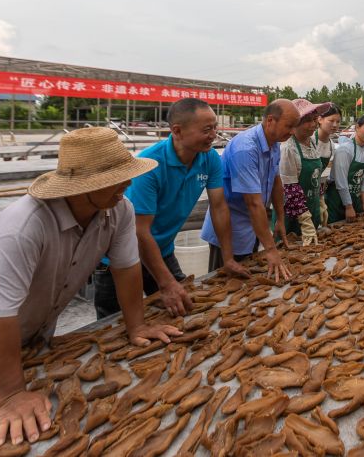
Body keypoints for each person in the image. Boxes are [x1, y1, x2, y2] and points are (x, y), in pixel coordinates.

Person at [0, 128, 180, 447]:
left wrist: (137, 325)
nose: (128, 184)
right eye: (117, 178)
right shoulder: (22, 228)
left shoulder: (118, 210)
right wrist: (9, 395)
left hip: (34, 335)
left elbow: (126, 268)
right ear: (82, 187)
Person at [93, 98, 249, 319]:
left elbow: (219, 207)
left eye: (215, 127)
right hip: (121, 258)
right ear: (177, 131)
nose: (214, 134)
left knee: (184, 309)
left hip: (162, 250)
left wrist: (229, 257)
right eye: (207, 129)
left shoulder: (209, 158)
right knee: (116, 326)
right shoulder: (149, 165)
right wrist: (166, 283)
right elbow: (140, 231)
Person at [200, 99, 300, 282]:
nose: (293, 131)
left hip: (253, 228)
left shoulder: (274, 142)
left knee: (247, 281)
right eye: (289, 126)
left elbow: (276, 181)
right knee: (223, 284)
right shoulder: (245, 148)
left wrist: (280, 219)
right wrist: (271, 249)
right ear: (270, 120)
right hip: (230, 229)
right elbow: (253, 203)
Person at [277, 99, 330, 245]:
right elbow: (290, 190)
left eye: (314, 120)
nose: (313, 125)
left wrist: (320, 202)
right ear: (295, 124)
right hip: (293, 216)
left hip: (311, 208)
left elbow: (316, 176)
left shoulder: (312, 142)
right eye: (307, 121)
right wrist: (305, 223)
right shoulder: (289, 148)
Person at [326, 113, 364, 223]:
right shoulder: (345, 150)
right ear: (357, 127)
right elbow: (341, 182)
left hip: (354, 199)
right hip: (337, 201)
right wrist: (348, 207)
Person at [315, 104, 341, 227]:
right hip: (297, 196)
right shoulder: (309, 140)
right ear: (320, 119)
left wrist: (321, 200)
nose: (335, 125)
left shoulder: (331, 145)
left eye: (338, 121)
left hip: (315, 194)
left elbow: (323, 176)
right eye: (331, 121)